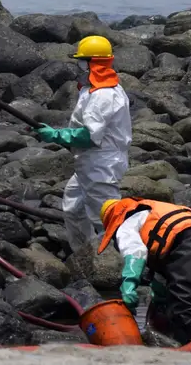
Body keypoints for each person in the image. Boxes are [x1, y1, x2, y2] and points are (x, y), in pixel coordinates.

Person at [37, 35, 132, 252]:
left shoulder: (104, 95)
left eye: (82, 61)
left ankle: (121, 264)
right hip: (88, 161)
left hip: (101, 163)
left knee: (106, 218)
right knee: (74, 209)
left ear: (93, 63)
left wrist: (56, 136)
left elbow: (90, 135)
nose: (78, 66)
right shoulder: (91, 88)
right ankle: (85, 255)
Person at [99, 197, 191, 341]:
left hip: (186, 243)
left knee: (183, 306)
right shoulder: (154, 211)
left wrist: (128, 286)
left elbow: (136, 253)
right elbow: (166, 271)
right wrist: (160, 297)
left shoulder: (125, 225)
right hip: (184, 242)